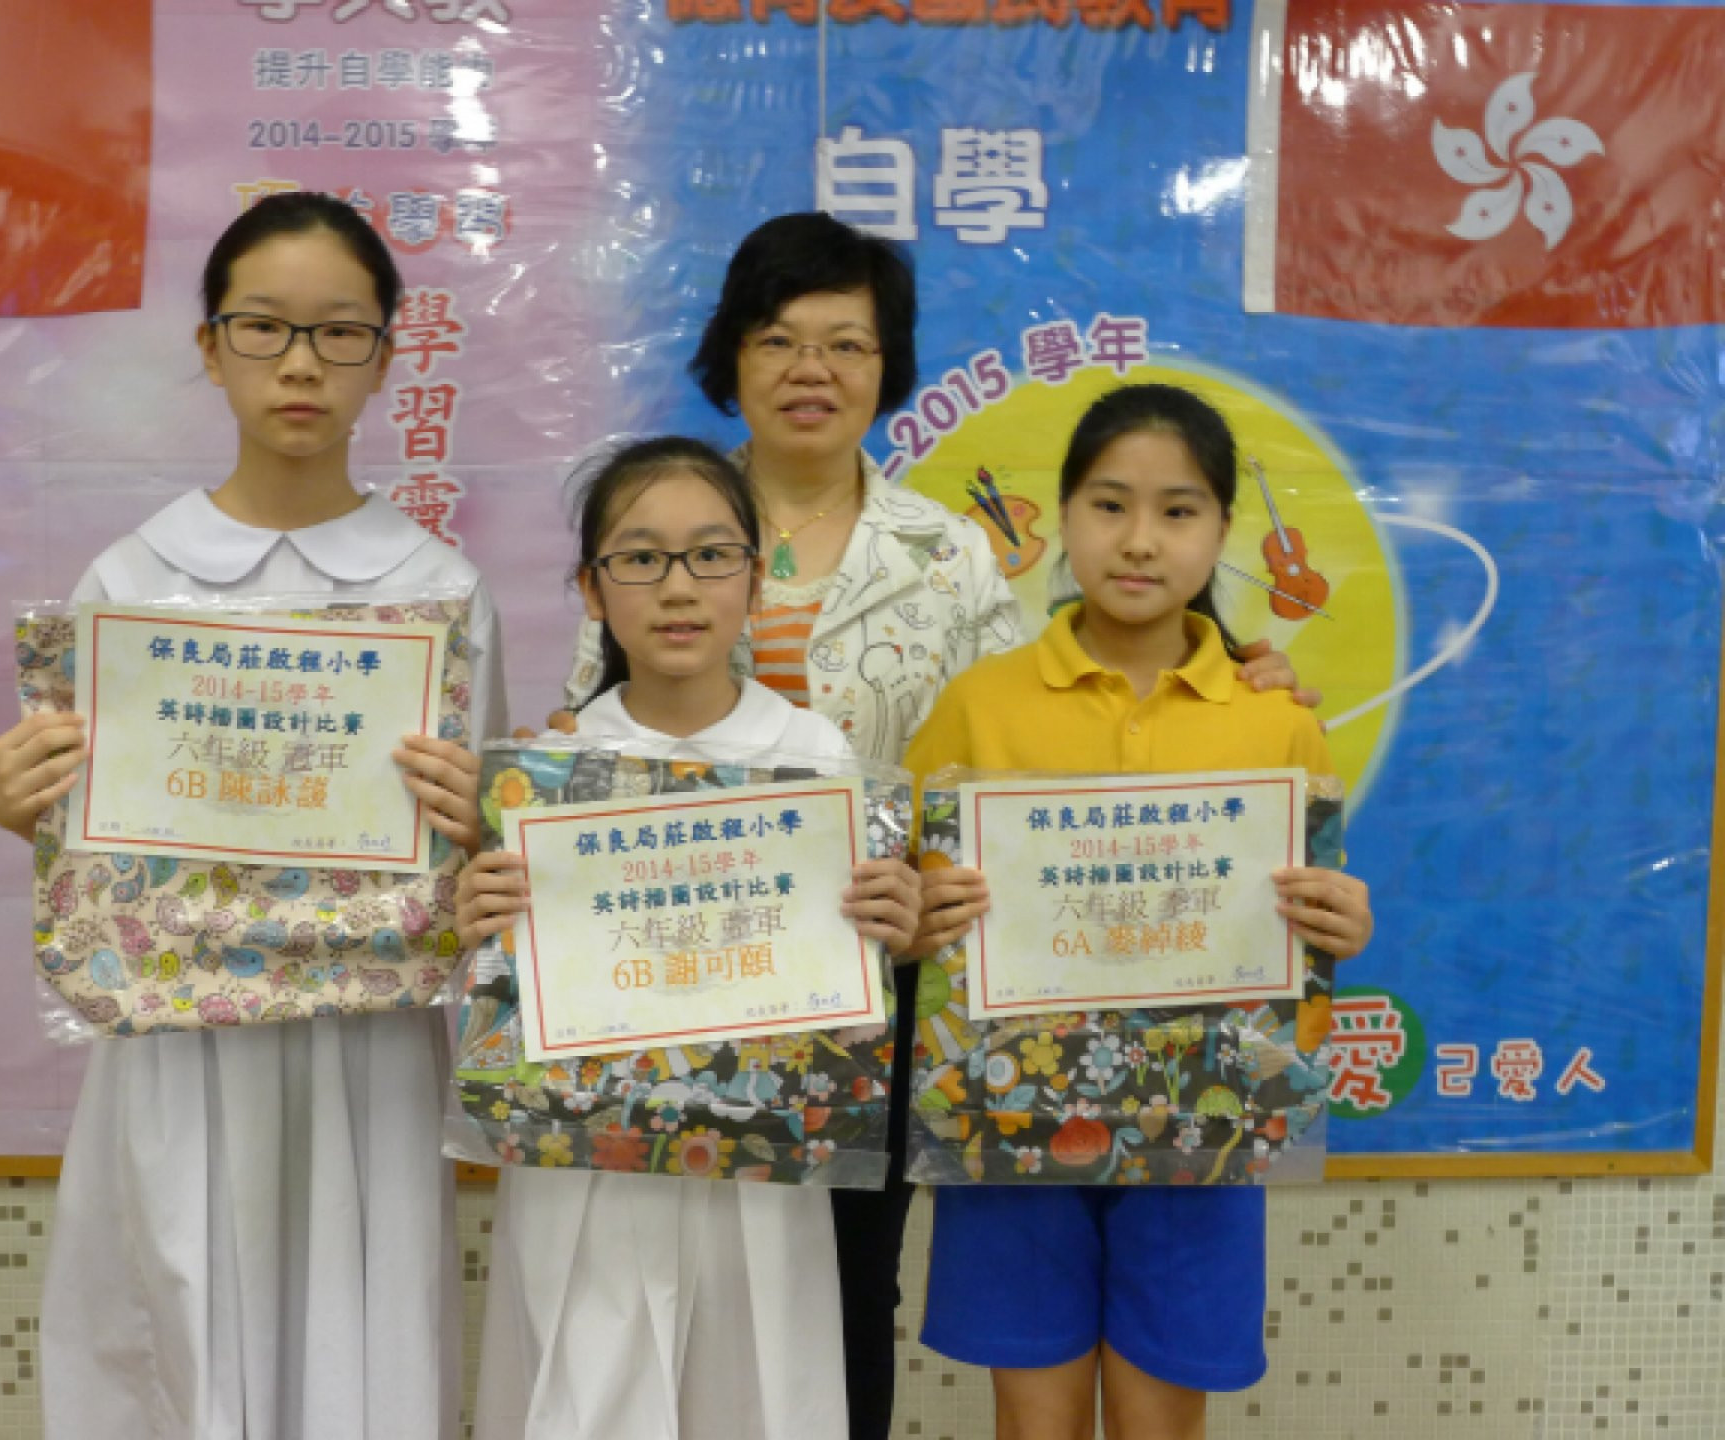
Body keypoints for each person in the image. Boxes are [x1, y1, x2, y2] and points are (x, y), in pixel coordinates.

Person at [557, 212, 1311, 1439]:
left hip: (887, 982)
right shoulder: (664, 517)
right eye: (778, 338)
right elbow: (591, 735)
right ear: (731, 355)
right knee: (658, 1279)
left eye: (847, 343)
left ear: (887, 365)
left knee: (849, 1282)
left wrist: (1235, 673)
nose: (811, 369)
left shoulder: (948, 555)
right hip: (678, 973)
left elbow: (1030, 762)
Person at [0, 191, 505, 1440]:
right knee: (177, 1315)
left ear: (385, 356)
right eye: (264, 327)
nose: (301, 364)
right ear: (211, 349)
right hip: (175, 1031)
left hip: (367, 1039)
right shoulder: (130, 581)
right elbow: (86, 833)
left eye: (340, 332)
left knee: (361, 1323)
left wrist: (481, 822)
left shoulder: (439, 591)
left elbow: (473, 836)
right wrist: (15, 803)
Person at [902, 384, 1372, 1440]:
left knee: (1162, 1424)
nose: (1141, 540)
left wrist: (1338, 928)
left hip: (1201, 1121)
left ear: (1222, 530)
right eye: (1110, 504)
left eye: (1178, 510)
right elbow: (910, 909)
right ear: (1067, 515)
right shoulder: (980, 704)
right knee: (1036, 1425)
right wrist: (922, 919)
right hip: (1011, 1121)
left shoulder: (1276, 723)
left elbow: (1305, 926)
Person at [450, 436, 924, 1440]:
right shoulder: (549, 773)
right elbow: (500, 1005)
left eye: (711, 554)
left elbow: (854, 1001)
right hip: (588, 1171)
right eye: (640, 557)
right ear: (592, 589)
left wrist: (892, 928)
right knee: (589, 1389)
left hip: (762, 1166)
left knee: (755, 1387)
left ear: (756, 579)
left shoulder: (816, 759)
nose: (678, 587)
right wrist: (480, 926)